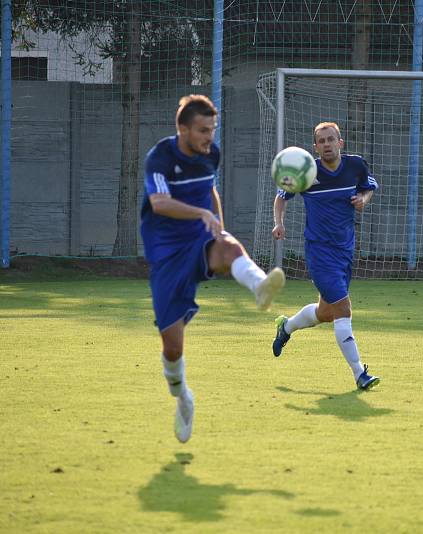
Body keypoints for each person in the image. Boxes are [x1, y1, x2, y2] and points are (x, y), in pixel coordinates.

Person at [141, 94, 285, 443]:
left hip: (199, 240)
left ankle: (260, 286)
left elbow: (211, 190)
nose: (210, 137)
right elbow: (159, 204)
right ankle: (183, 399)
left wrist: (217, 222)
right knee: (172, 347)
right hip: (165, 254)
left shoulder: (211, 155)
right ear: (183, 129)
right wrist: (202, 213)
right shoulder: (160, 158)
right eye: (203, 130)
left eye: (213, 129)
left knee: (229, 247)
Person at [270, 122, 380, 390]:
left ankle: (286, 328)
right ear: (315, 147)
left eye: (332, 139)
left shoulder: (355, 166)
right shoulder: (306, 172)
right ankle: (359, 374)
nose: (327, 144)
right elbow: (281, 197)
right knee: (343, 309)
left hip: (345, 249)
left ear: (340, 142)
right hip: (319, 251)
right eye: (322, 141)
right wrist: (279, 223)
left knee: (326, 312)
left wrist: (363, 200)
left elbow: (369, 187)